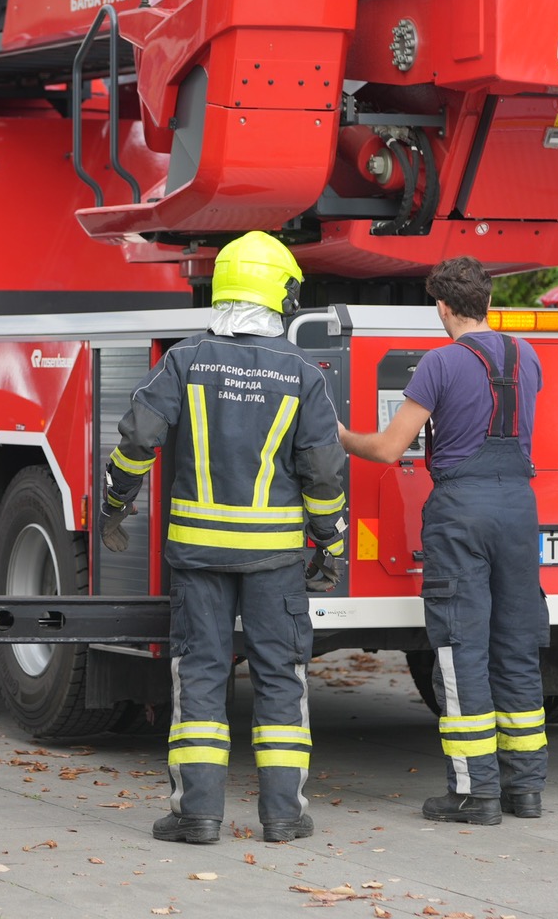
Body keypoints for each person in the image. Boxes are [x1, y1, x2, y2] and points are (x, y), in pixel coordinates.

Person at [99, 231, 348, 845]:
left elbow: (137, 441)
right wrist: (331, 543)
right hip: (274, 560)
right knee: (281, 675)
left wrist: (114, 504)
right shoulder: (303, 376)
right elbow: (322, 472)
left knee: (201, 674)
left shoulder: (185, 360)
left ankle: (198, 814)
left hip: (199, 554)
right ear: (280, 294)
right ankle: (284, 816)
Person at [338, 256, 548, 826]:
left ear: (443, 307)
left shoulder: (440, 362)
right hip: (519, 509)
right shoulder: (524, 356)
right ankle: (524, 789)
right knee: (516, 647)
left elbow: (387, 449)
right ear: (486, 301)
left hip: (462, 510)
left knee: (460, 652)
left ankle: (473, 792)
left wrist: (335, 433)